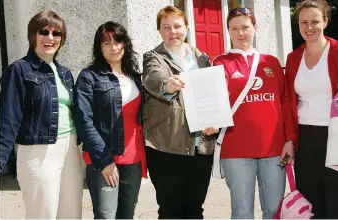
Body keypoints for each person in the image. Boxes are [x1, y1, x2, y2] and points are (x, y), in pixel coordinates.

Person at [0, 11, 83, 219]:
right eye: (44, 32)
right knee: (42, 214)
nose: (50, 38)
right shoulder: (19, 70)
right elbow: (8, 118)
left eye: (57, 33)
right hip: (38, 150)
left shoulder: (64, 72)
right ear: (33, 35)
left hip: (71, 148)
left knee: (71, 214)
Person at [212, 7, 295, 219]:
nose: (241, 33)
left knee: (274, 210)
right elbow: (211, 102)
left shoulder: (272, 63)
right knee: (242, 212)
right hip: (237, 150)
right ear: (228, 32)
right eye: (235, 28)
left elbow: (285, 103)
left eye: (245, 27)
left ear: (255, 28)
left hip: (274, 148)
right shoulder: (220, 63)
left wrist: (290, 140)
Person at [142, 5, 217, 219]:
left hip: (200, 146)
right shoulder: (153, 57)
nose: (172, 32)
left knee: (195, 209)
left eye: (177, 26)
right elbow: (153, 78)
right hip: (166, 146)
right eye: (166, 27)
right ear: (159, 31)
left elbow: (212, 96)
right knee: (170, 209)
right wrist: (167, 84)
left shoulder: (203, 59)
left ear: (187, 28)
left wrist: (215, 120)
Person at [74, 21, 147, 219]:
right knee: (106, 216)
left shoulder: (135, 77)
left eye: (117, 41)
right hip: (103, 159)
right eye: (107, 43)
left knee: (127, 215)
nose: (113, 47)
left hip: (133, 159)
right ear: (99, 47)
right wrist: (105, 160)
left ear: (125, 44)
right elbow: (83, 121)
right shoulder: (89, 77)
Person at [285, 0, 338, 218]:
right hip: (305, 137)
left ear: (325, 21)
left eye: (315, 21)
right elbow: (288, 101)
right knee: (311, 201)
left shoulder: (336, 51)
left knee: (335, 198)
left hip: (334, 135)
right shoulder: (293, 57)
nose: (309, 27)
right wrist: (289, 140)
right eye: (303, 22)